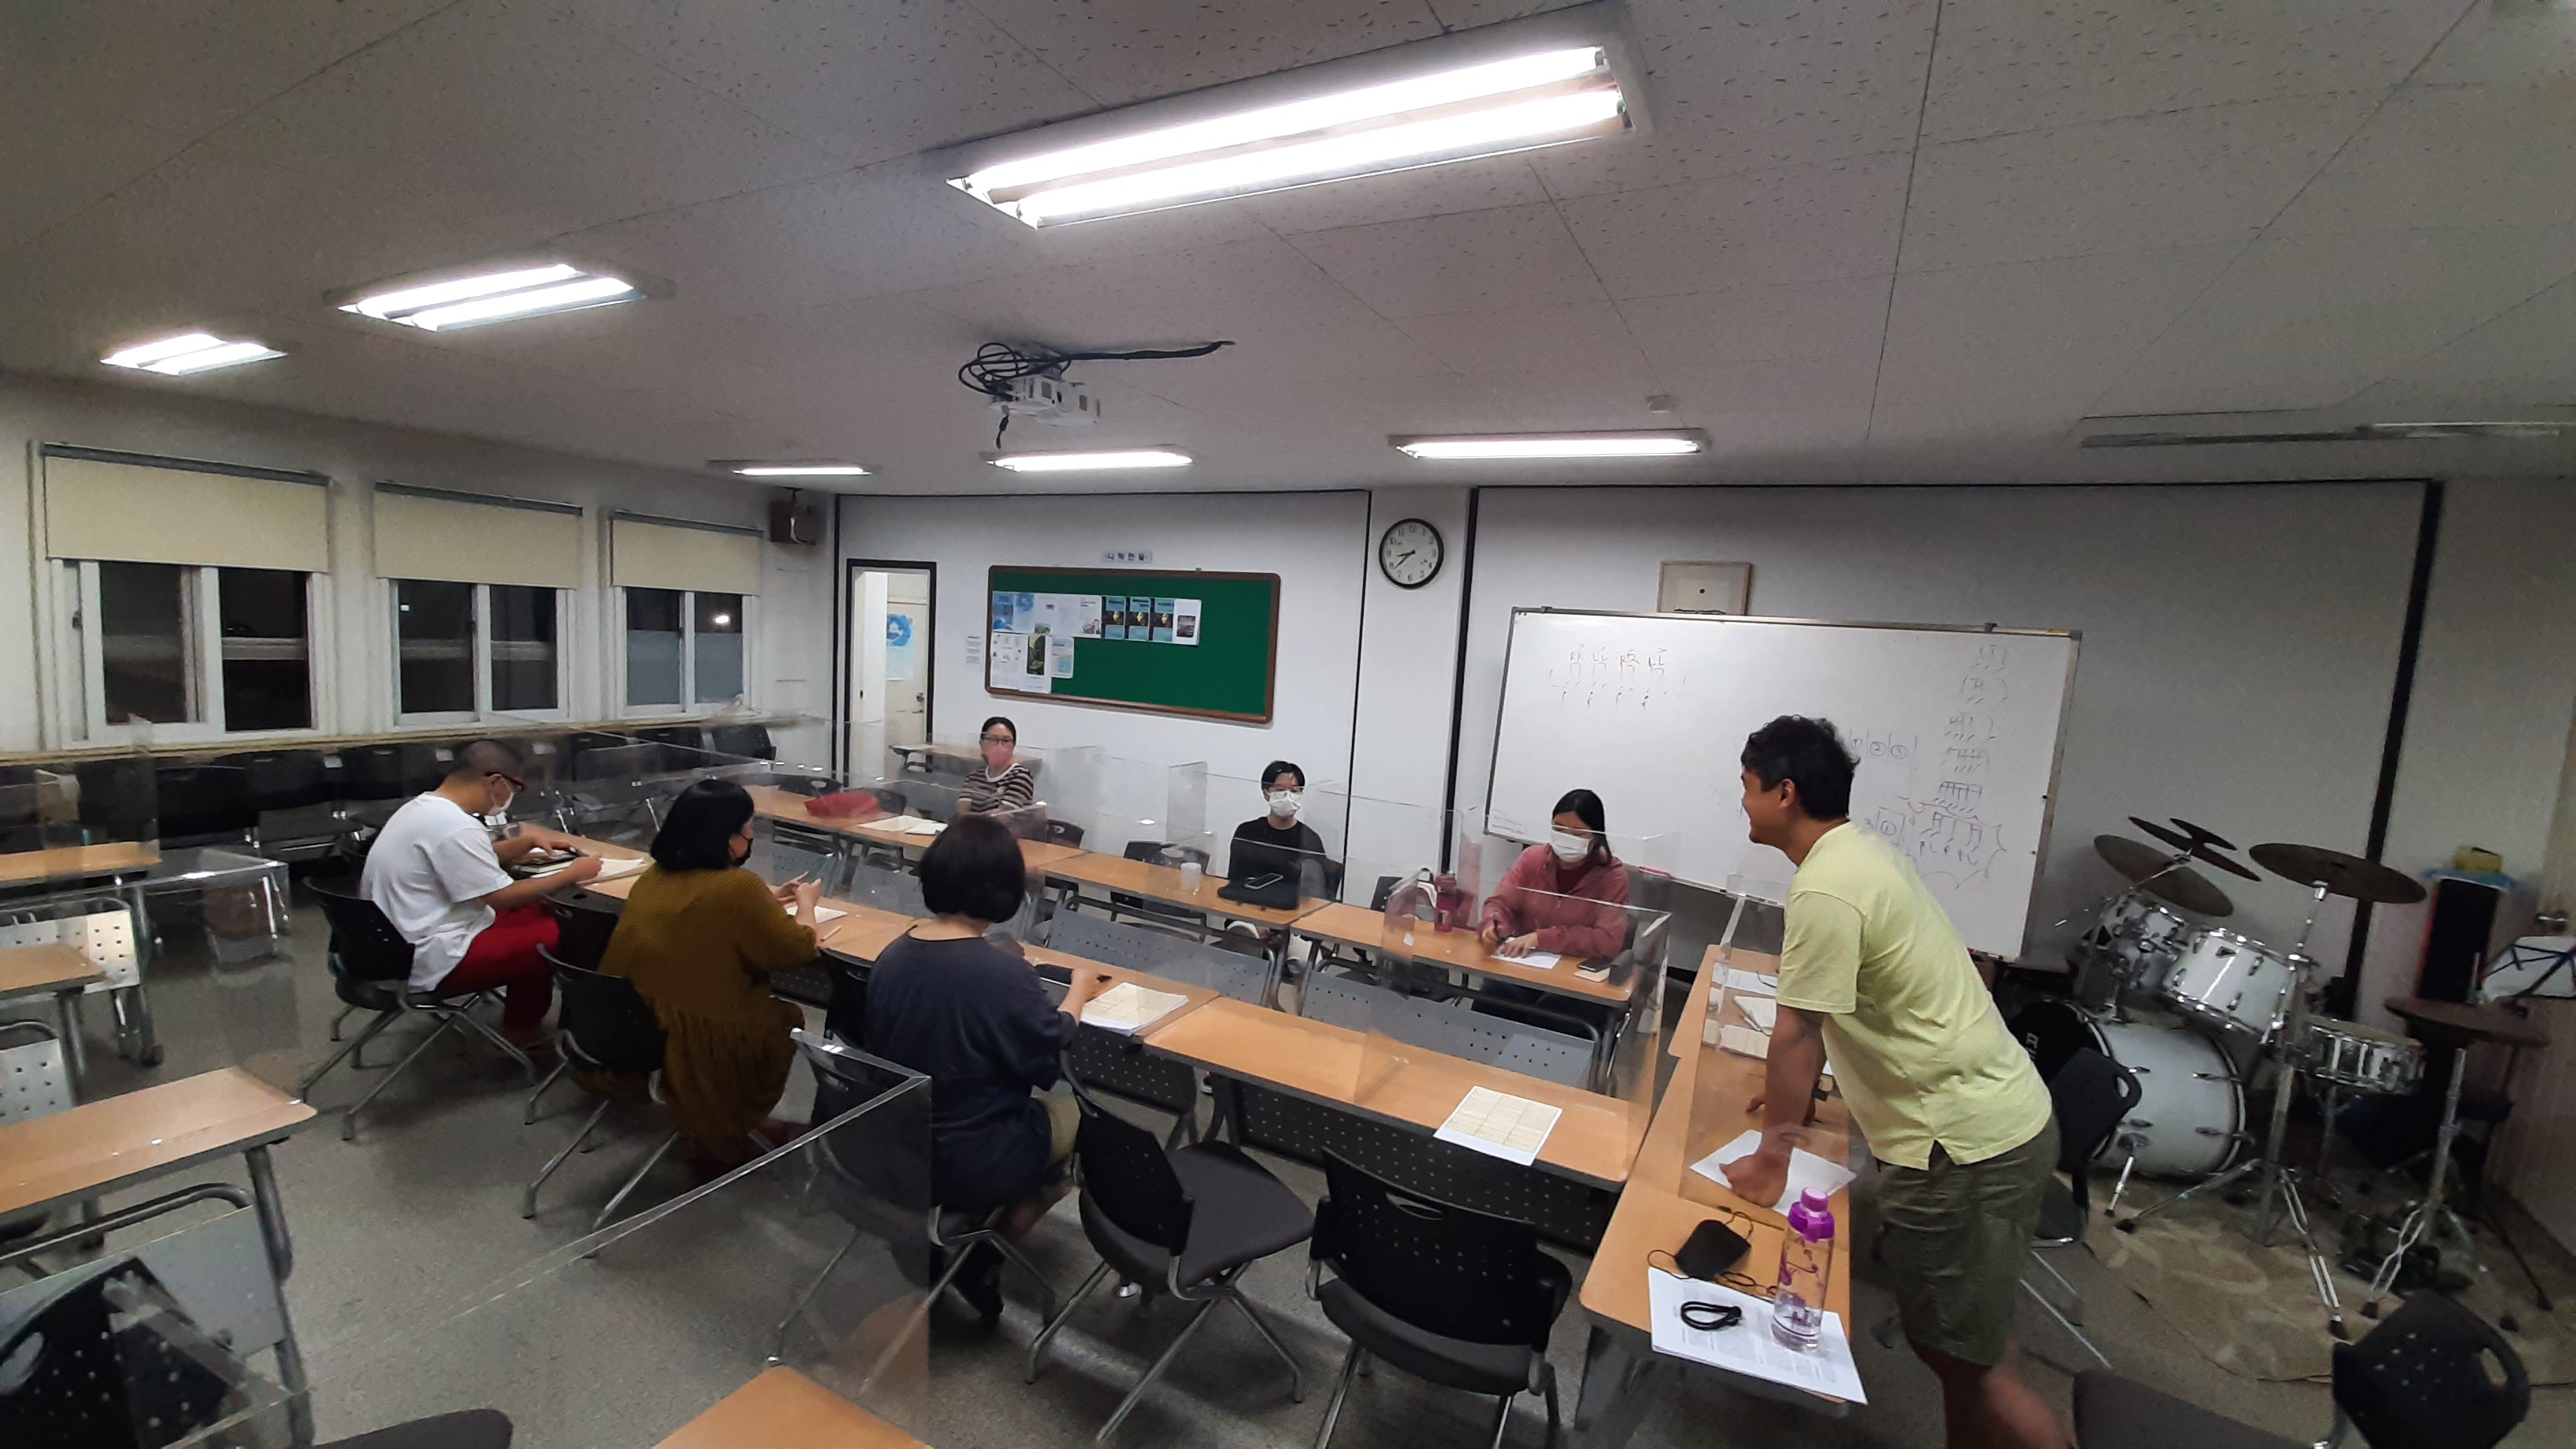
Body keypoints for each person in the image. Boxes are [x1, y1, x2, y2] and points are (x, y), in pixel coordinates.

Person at [1720, 716, 2064, 1449]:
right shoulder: (1862, 852)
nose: (1742, 801)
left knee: (1966, 1365)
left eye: (1747, 787)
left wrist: (1771, 1158)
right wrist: (1791, 1096)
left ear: (1785, 793)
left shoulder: (1827, 889)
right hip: (1997, 1119)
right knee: (1967, 1343)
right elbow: (1861, 1003)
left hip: (1964, 1146)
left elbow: (1799, 1032)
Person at [863, 813, 1078, 1318]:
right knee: (1078, 1121)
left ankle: (939, 1238)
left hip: (893, 1144)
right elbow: (1048, 1048)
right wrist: (1082, 991)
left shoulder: (893, 954)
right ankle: (983, 1255)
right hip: (965, 1155)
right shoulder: (1000, 973)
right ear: (1003, 890)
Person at [597, 780, 823, 1175]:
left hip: (633, 1022)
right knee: (784, 1018)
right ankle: (726, 1132)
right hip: (694, 1037)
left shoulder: (655, 875)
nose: (751, 835)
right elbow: (799, 950)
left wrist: (770, 900)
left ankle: (707, 1119)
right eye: (748, 827)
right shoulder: (737, 886)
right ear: (726, 836)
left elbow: (702, 913)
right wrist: (807, 905)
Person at [360, 739, 601, 1052]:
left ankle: (524, 1019)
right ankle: (523, 1031)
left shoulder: (423, 808)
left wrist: (523, 844)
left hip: (395, 942)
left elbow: (463, 859)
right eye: (516, 788)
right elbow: (501, 897)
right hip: (430, 953)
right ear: (496, 782)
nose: (511, 797)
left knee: (542, 914)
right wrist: (574, 873)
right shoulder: (456, 826)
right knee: (560, 936)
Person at [1477, 788, 1631, 963]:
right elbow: (1501, 903)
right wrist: (1493, 925)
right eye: (1559, 829)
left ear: (1596, 836)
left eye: (1578, 834)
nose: (1567, 838)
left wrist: (1542, 939)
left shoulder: (1612, 877)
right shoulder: (1532, 859)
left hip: (1573, 971)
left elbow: (1608, 942)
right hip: (1524, 962)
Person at [1227, 759, 1327, 893]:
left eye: (1294, 791)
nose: (1287, 797)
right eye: (1280, 790)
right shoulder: (1247, 832)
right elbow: (1234, 881)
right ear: (1266, 794)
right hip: (1249, 901)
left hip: (1293, 904)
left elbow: (1316, 892)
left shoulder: (1309, 839)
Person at [956, 717, 1035, 817]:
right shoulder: (974, 775)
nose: (999, 746)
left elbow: (1002, 817)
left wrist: (972, 818)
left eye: (1006, 740)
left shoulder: (1020, 776)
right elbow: (962, 812)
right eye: (992, 739)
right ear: (981, 743)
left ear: (1013, 746)